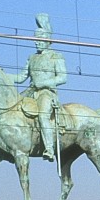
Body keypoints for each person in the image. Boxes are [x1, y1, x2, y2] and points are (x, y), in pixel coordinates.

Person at [15, 13, 67, 160]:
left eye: (40, 39)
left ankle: (49, 148)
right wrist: (3, 77)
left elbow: (63, 77)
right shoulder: (31, 58)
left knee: (43, 115)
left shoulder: (55, 56)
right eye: (35, 39)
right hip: (31, 92)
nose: (36, 42)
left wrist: (44, 83)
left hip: (47, 93)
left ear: (47, 40)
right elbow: (21, 77)